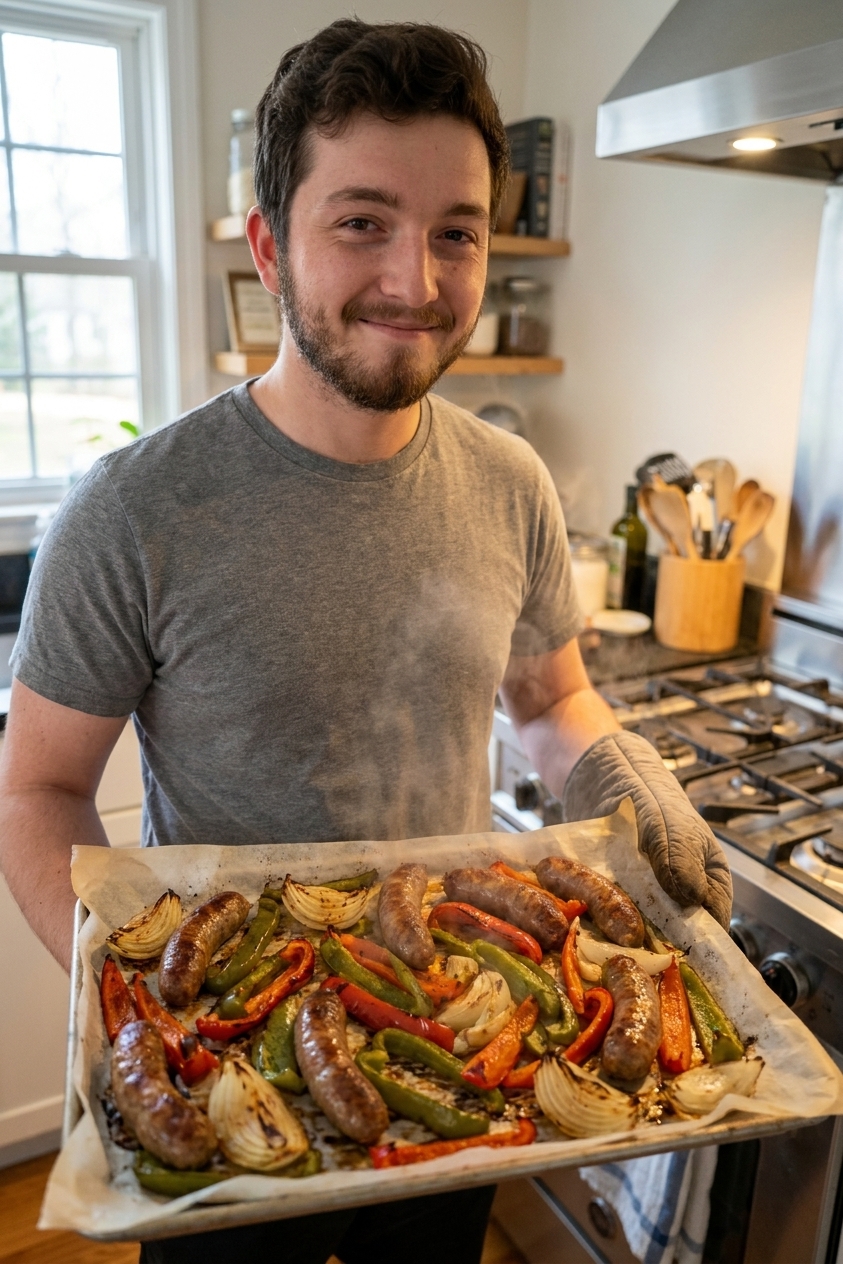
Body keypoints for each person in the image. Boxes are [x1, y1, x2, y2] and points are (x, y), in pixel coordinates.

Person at [0, 19, 731, 1264]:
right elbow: (41, 783)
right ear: (272, 245)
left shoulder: (513, 483)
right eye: (362, 222)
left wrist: (623, 777)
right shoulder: (131, 511)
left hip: (452, 1041)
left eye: (457, 230)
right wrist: (138, 1005)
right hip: (232, 1067)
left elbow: (550, 696)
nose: (418, 277)